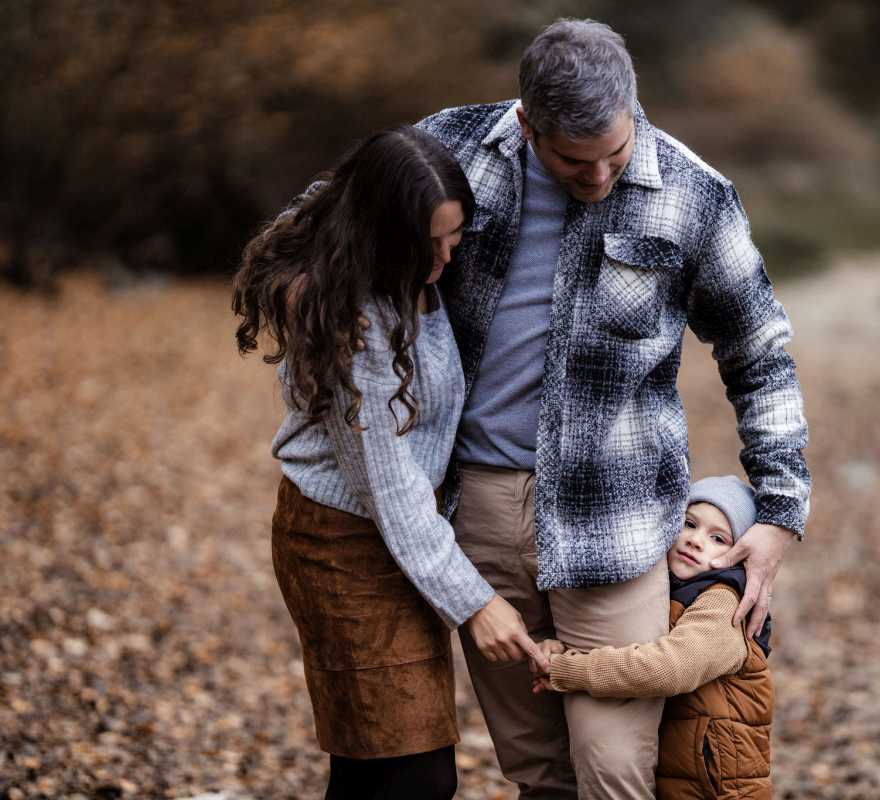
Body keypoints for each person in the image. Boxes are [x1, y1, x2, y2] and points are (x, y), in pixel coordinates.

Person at [409, 19, 811, 797]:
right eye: (570, 160)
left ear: (634, 106)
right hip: (476, 512)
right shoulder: (447, 151)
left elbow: (760, 353)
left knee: (616, 768)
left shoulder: (695, 195)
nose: (597, 177)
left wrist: (781, 509)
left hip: (618, 522)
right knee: (538, 771)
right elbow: (326, 232)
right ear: (527, 123)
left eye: (614, 155)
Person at [231, 126, 548, 800]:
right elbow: (391, 485)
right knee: (413, 775)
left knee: (373, 762)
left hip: (406, 540)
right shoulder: (352, 321)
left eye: (453, 236)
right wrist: (476, 604)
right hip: (342, 545)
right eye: (426, 242)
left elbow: (351, 185)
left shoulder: (403, 254)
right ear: (379, 234)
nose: (444, 257)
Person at [531, 475, 775, 800]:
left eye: (719, 538)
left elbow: (669, 668)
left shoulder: (724, 603)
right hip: (679, 774)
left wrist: (566, 669)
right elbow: (624, 647)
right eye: (689, 524)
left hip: (718, 788)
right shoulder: (667, 586)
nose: (696, 540)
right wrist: (559, 650)